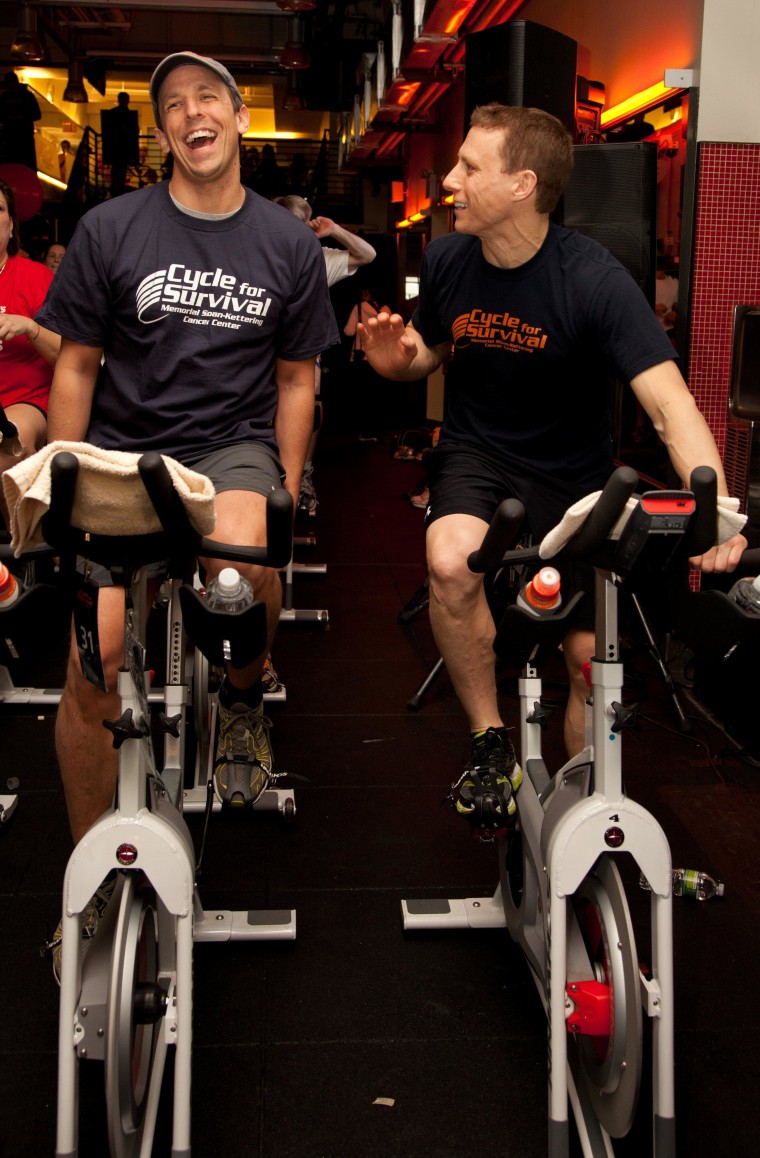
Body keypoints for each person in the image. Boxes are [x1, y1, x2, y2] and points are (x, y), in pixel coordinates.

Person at [358, 103, 747, 823]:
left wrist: (716, 514)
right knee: (449, 564)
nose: (450, 180)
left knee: (587, 665)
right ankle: (488, 739)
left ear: (523, 184)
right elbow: (427, 350)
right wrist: (396, 360)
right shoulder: (447, 259)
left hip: (574, 482)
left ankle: (569, 814)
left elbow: (671, 409)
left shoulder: (594, 282)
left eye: (470, 168)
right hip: (477, 456)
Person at [34, 51, 338, 841]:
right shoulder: (110, 229)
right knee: (94, 663)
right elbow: (75, 364)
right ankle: (91, 873)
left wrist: (286, 491)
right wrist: (59, 485)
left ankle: (240, 697)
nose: (191, 113)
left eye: (209, 98)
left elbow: (298, 380)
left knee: (242, 562)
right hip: (124, 453)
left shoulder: (288, 243)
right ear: (165, 130)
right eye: (173, 104)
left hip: (230, 446)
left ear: (240, 119)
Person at [274, 194, 377, 509]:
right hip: (264, 348)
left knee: (310, 409)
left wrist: (333, 229)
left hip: (304, 349)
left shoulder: (319, 257)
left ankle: (302, 473)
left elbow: (367, 254)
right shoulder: (262, 253)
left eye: (302, 225)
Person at [0, 178, 61, 531]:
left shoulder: (37, 278)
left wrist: (28, 327)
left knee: (10, 439)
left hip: (27, 400)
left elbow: (70, 357)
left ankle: (26, 555)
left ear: (11, 225)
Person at [344, 286, 392, 441]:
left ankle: (365, 432)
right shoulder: (385, 309)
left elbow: (348, 331)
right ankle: (378, 432)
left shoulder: (358, 308)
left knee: (363, 397)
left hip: (363, 358)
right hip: (381, 358)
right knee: (378, 397)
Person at [100, 91, 139, 197]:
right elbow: (134, 131)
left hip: (114, 148)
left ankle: (115, 188)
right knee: (121, 170)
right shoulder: (129, 115)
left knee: (117, 169)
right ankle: (118, 188)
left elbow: (108, 130)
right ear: (127, 101)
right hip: (123, 148)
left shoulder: (112, 114)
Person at [0, 70, 41, 171]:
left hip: (10, 138)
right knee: (27, 167)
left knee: (11, 167)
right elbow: (37, 115)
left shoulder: (4, 98)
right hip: (24, 137)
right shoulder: (28, 96)